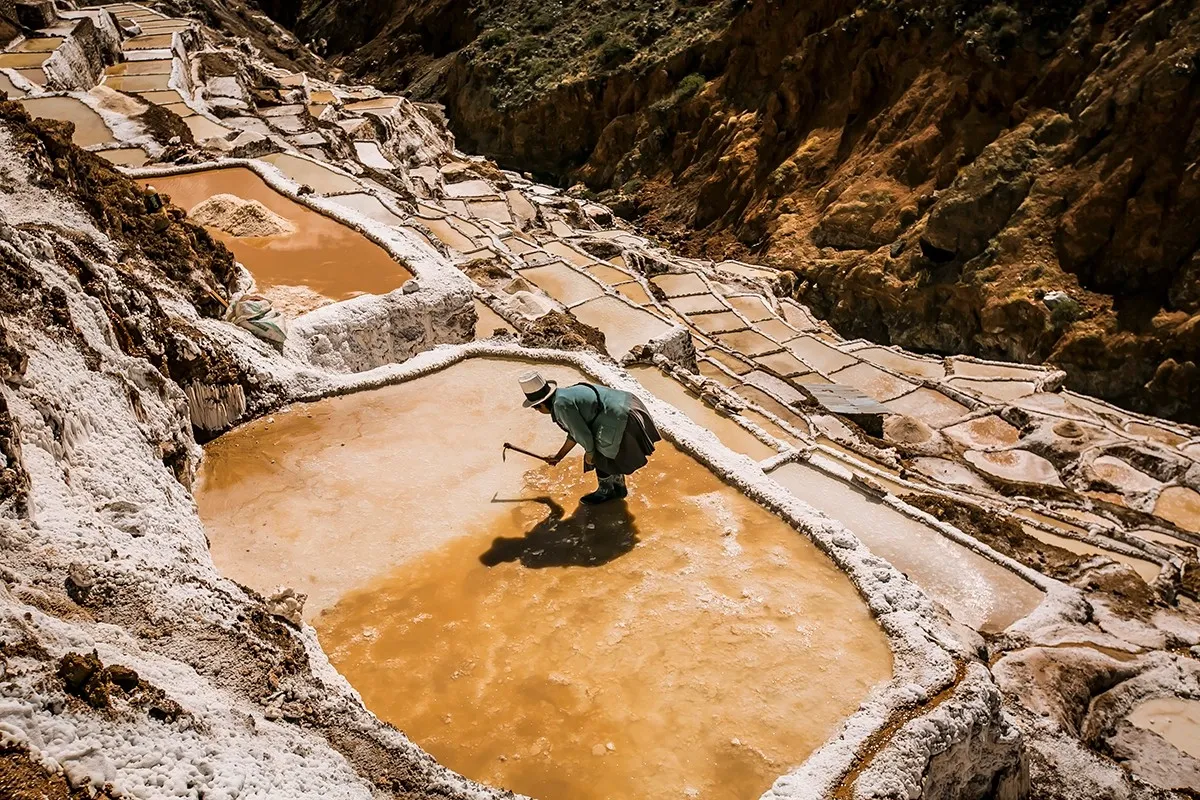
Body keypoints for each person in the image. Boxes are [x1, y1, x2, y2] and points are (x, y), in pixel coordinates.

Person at [518, 371, 661, 505]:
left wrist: (590, 454)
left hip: (620, 416)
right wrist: (559, 456)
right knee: (608, 453)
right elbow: (575, 432)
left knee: (600, 455)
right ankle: (619, 487)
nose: (538, 411)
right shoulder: (564, 394)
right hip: (628, 403)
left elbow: (583, 435)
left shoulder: (561, 405)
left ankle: (606, 492)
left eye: (536, 408)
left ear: (541, 404)